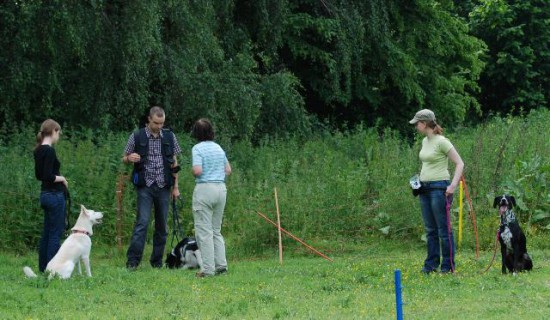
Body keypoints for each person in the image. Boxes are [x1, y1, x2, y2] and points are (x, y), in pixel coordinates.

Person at [123, 106, 182, 269]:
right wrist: (129, 158)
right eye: (156, 123)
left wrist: (176, 187)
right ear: (149, 119)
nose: (159, 126)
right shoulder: (136, 135)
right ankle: (133, 261)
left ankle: (156, 262)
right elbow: (124, 157)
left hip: (164, 186)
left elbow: (174, 163)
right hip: (145, 186)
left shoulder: (170, 136)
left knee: (162, 225)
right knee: (142, 223)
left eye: (162, 123)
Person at [410, 109, 464, 274]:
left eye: (417, 123)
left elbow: (460, 163)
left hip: (440, 189)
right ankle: (431, 265)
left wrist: (452, 186)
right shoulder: (425, 141)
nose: (415, 126)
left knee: (443, 229)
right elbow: (427, 163)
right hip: (425, 189)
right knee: (430, 230)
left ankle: (448, 267)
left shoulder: (442, 141)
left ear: (425, 123)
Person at [191, 118, 231, 277]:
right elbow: (228, 170)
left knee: (204, 231)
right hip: (221, 189)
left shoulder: (197, 148)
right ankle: (221, 265)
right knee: (216, 230)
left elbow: (197, 171)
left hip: (204, 189)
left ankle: (208, 269)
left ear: (196, 133)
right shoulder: (218, 148)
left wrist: (194, 171)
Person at [34, 119, 69, 272]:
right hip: (54, 196)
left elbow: (38, 175)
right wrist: (62, 179)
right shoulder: (49, 150)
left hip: (44, 195)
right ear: (54, 131)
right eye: (58, 133)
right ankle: (53, 270)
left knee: (47, 233)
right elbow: (48, 175)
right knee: (55, 234)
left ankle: (43, 268)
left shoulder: (38, 150)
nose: (59, 136)